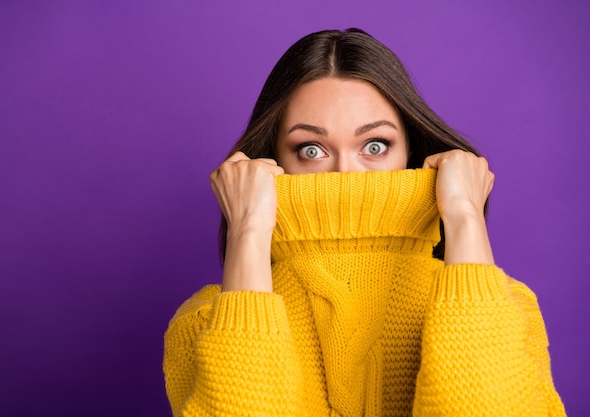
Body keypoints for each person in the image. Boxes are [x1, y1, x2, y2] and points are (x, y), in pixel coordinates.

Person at [163, 28, 566, 416]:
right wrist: (248, 230)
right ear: (271, 161)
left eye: (374, 146)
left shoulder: (504, 306)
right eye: (311, 149)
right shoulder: (207, 321)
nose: (346, 174)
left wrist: (463, 216)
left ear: (411, 151)